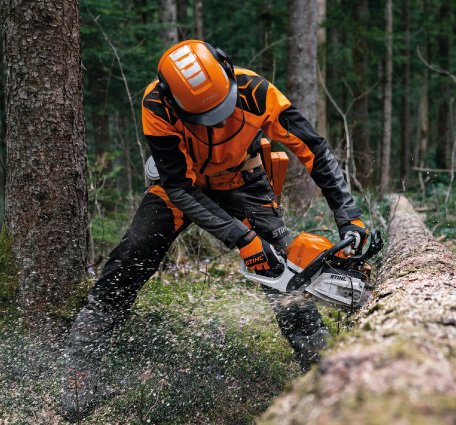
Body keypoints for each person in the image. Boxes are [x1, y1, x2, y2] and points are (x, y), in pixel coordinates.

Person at [61, 40, 367, 420]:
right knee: (129, 260)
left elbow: (314, 149)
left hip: (243, 176)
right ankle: (78, 376)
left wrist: (348, 214)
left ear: (227, 69)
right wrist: (241, 239)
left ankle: (321, 366)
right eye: (206, 115)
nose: (219, 120)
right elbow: (178, 186)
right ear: (173, 100)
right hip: (180, 188)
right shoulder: (157, 104)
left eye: (222, 109)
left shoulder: (256, 92)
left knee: (283, 266)